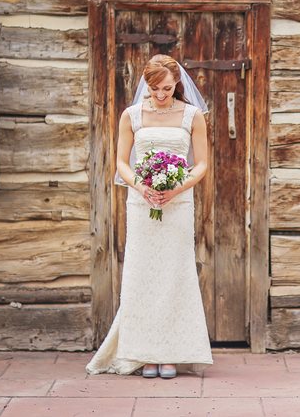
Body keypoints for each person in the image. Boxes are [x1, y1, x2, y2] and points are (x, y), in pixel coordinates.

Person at [86, 54, 213, 379]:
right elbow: (122, 164)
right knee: (143, 273)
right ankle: (144, 353)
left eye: (167, 88)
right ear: (147, 84)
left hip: (178, 203)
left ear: (177, 85)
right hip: (142, 204)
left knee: (175, 273)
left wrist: (176, 188)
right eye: (155, 89)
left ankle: (170, 353)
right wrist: (143, 188)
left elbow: (201, 165)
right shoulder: (131, 116)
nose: (160, 95)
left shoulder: (192, 116)